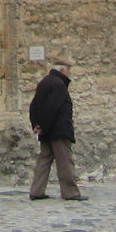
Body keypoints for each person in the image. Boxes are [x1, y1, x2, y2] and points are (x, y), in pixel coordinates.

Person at [28, 57, 87, 201]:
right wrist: (44, 127)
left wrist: (36, 123)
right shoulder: (59, 84)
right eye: (68, 71)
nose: (69, 75)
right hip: (58, 130)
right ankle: (70, 192)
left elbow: (33, 105)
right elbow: (52, 108)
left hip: (47, 130)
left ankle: (36, 191)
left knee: (44, 160)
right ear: (61, 70)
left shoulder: (44, 82)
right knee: (65, 161)